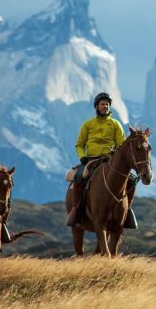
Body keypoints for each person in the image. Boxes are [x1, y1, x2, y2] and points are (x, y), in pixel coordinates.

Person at [66, 92, 135, 228]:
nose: (105, 106)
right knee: (79, 177)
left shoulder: (115, 124)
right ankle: (77, 209)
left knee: (131, 180)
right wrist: (82, 157)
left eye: (107, 104)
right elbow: (79, 144)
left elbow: (121, 145)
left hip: (110, 161)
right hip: (91, 160)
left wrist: (116, 154)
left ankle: (126, 211)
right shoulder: (88, 125)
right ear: (97, 106)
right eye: (103, 104)